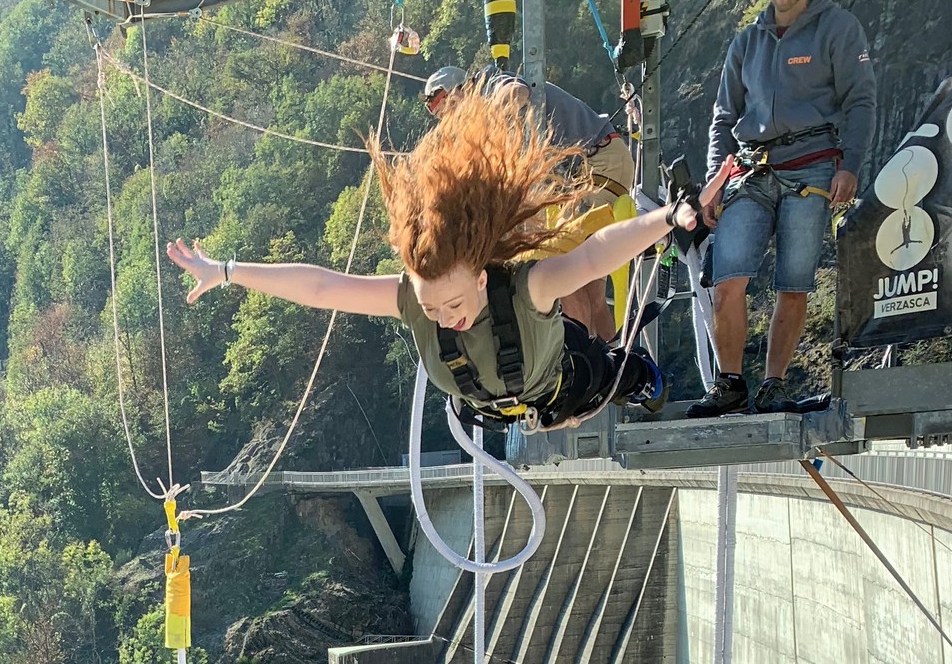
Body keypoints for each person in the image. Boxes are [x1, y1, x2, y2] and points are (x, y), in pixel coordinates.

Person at [167, 82, 725, 432]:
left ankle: (639, 376)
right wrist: (225, 271)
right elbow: (322, 288)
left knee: (608, 365)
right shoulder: (415, 298)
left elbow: (593, 255)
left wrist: (667, 219)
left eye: (452, 302)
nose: (445, 317)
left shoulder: (525, 288)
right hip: (492, 403)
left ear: (482, 279)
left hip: (566, 382)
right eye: (433, 310)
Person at [688, 0, 876, 417]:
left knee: (794, 284)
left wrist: (850, 165)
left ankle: (772, 386)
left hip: (813, 165)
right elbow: (723, 117)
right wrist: (715, 179)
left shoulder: (838, 27)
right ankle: (729, 385)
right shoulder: (746, 41)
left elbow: (860, 100)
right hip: (750, 170)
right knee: (726, 277)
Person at [423, 65, 634, 341]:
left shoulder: (488, 82)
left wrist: (483, 126)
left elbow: (517, 92)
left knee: (559, 268)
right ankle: (609, 364)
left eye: (449, 106)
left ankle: (585, 360)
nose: (452, 118)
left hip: (596, 164)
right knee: (589, 285)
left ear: (462, 88)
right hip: (589, 169)